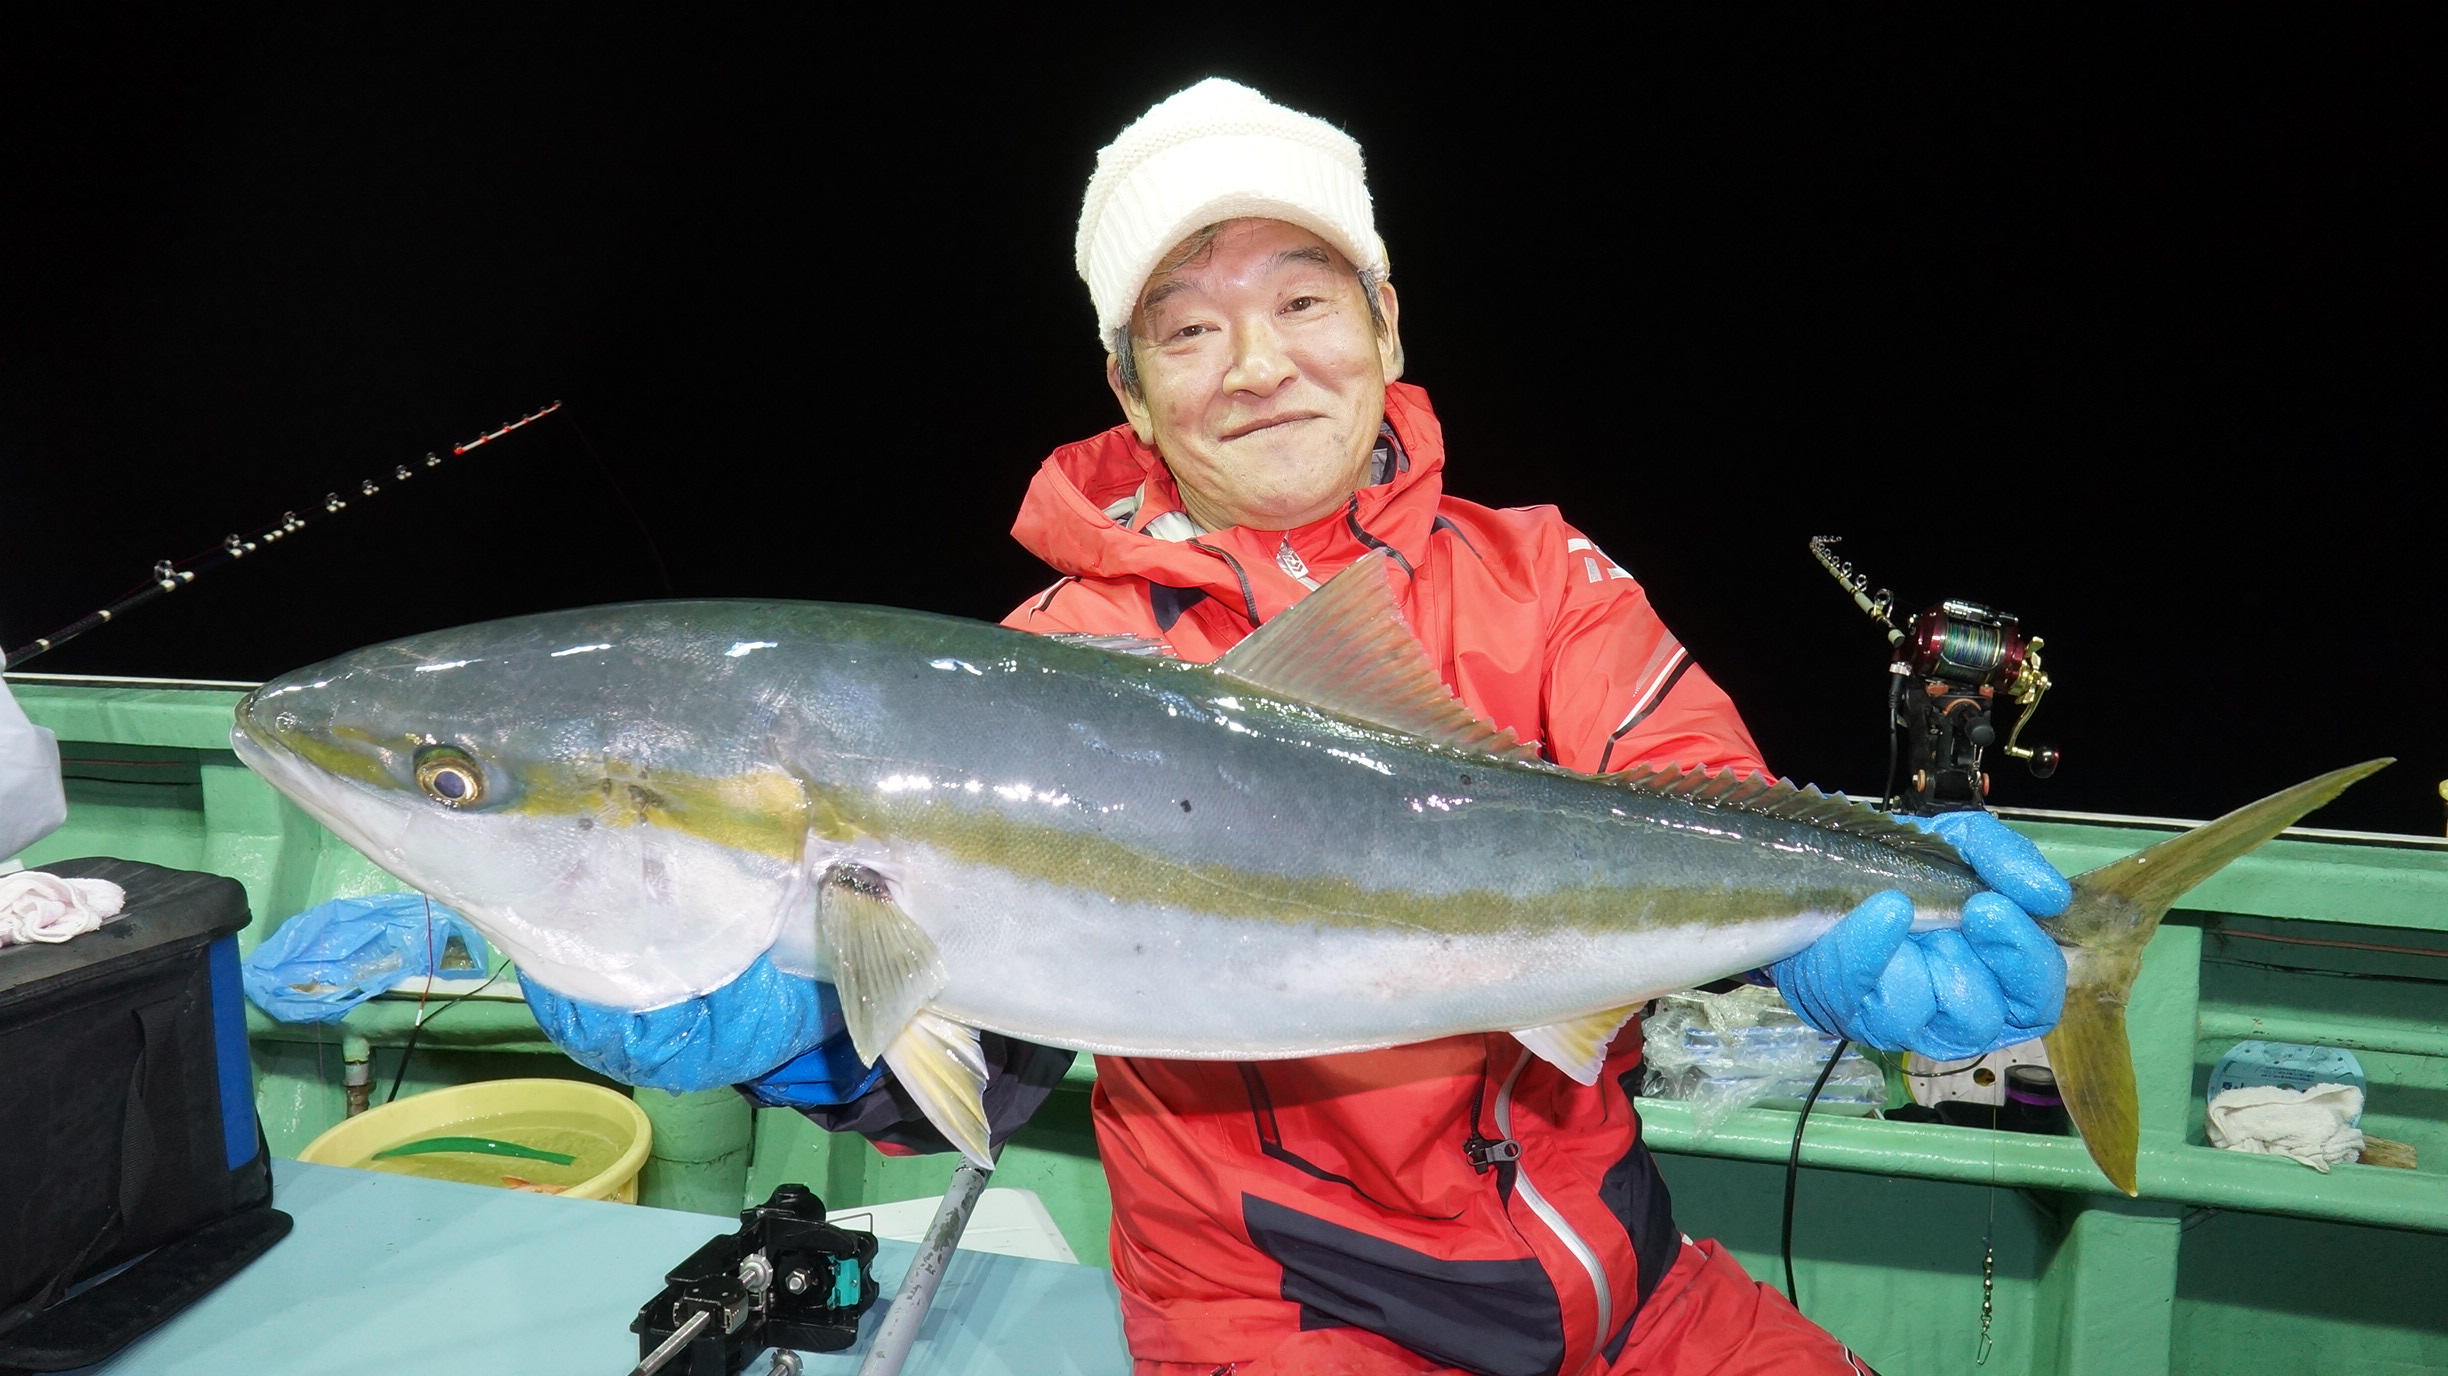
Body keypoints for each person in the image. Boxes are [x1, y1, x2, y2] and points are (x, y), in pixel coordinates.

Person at [524, 78, 2072, 1376]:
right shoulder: (1056, 669)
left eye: (1304, 301)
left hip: (1626, 1278)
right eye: (1189, 331)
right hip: (1279, 1319)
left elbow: (1697, 790)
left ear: (1387, 325)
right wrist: (790, 1026)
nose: (1259, 365)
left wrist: (1836, 921)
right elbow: (985, 1048)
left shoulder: (1546, 577)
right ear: (1132, 393)